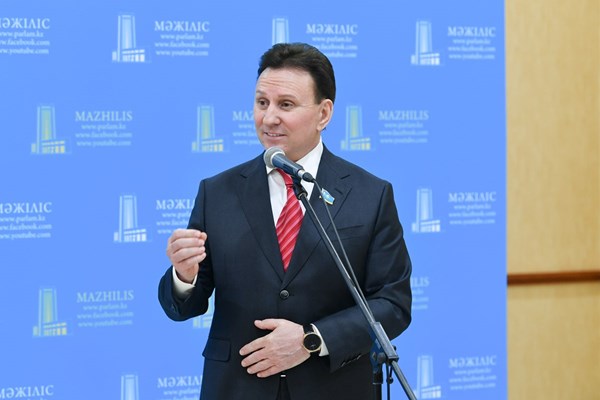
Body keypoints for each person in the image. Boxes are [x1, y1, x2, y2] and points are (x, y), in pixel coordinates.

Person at [159, 42, 412, 400]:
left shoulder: (370, 194)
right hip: (238, 388)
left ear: (324, 113)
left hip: (334, 388)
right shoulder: (217, 192)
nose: (269, 118)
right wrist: (184, 277)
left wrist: (312, 340)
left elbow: (393, 303)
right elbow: (186, 305)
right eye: (262, 103)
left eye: (286, 105)